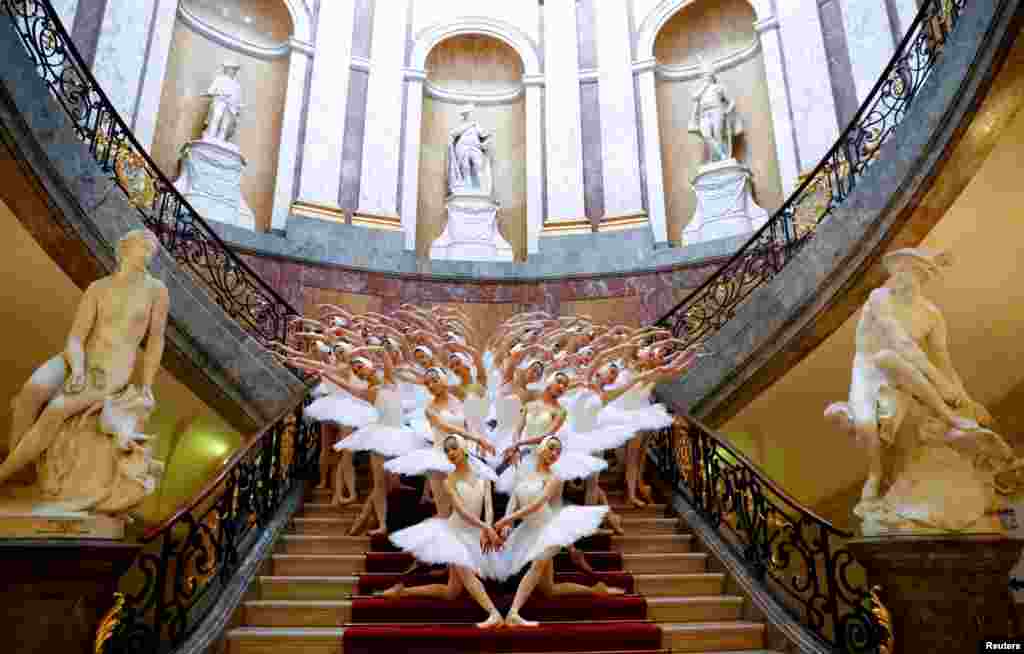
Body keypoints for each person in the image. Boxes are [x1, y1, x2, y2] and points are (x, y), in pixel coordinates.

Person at [2, 229, 169, 485]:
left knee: (55, 410)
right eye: (144, 247)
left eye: (152, 251)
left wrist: (147, 385)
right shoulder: (98, 287)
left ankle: (4, 473)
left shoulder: (156, 290)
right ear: (125, 247)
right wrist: (78, 369)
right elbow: (75, 338)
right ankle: (21, 465)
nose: (148, 254)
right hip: (76, 358)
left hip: (110, 369)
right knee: (29, 394)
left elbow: (156, 340)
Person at [495, 436, 622, 627]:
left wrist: (507, 520)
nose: (554, 454)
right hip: (530, 529)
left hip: (549, 529)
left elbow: (538, 504)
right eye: (552, 448)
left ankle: (513, 613)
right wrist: (507, 525)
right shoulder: (524, 473)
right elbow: (515, 497)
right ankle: (596, 590)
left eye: (558, 451)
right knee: (549, 589)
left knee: (537, 566)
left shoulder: (555, 476)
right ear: (541, 448)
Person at [382, 435, 505, 629]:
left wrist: (487, 527)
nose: (450, 453)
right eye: (447, 450)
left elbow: (489, 507)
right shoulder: (449, 481)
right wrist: (486, 528)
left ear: (464, 449)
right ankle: (494, 614)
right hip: (455, 533)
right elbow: (462, 511)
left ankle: (402, 592)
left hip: (475, 531)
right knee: (466, 574)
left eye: (454, 448)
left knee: (452, 592)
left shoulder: (484, 476)